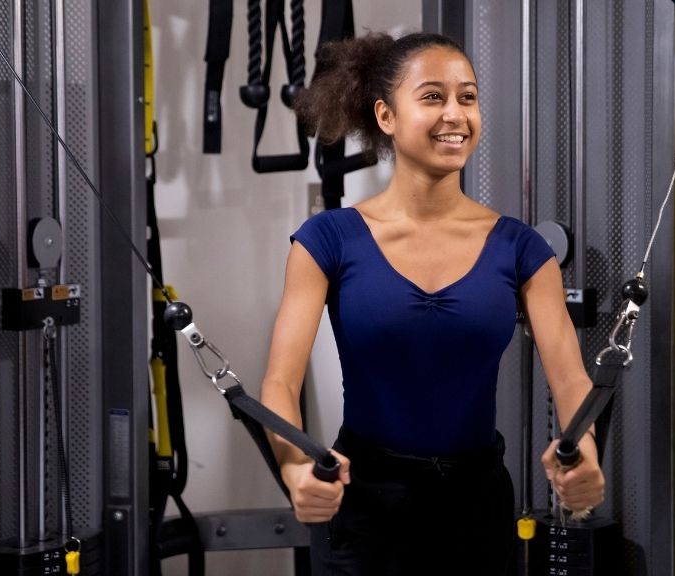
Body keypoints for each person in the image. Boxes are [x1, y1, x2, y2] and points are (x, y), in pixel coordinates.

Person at [259, 31, 605, 575]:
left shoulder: (519, 247)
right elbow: (280, 382)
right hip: (364, 506)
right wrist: (295, 467)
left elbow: (570, 380)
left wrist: (582, 449)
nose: (456, 114)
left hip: (478, 508)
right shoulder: (327, 239)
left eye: (467, 97)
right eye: (432, 97)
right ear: (387, 116)